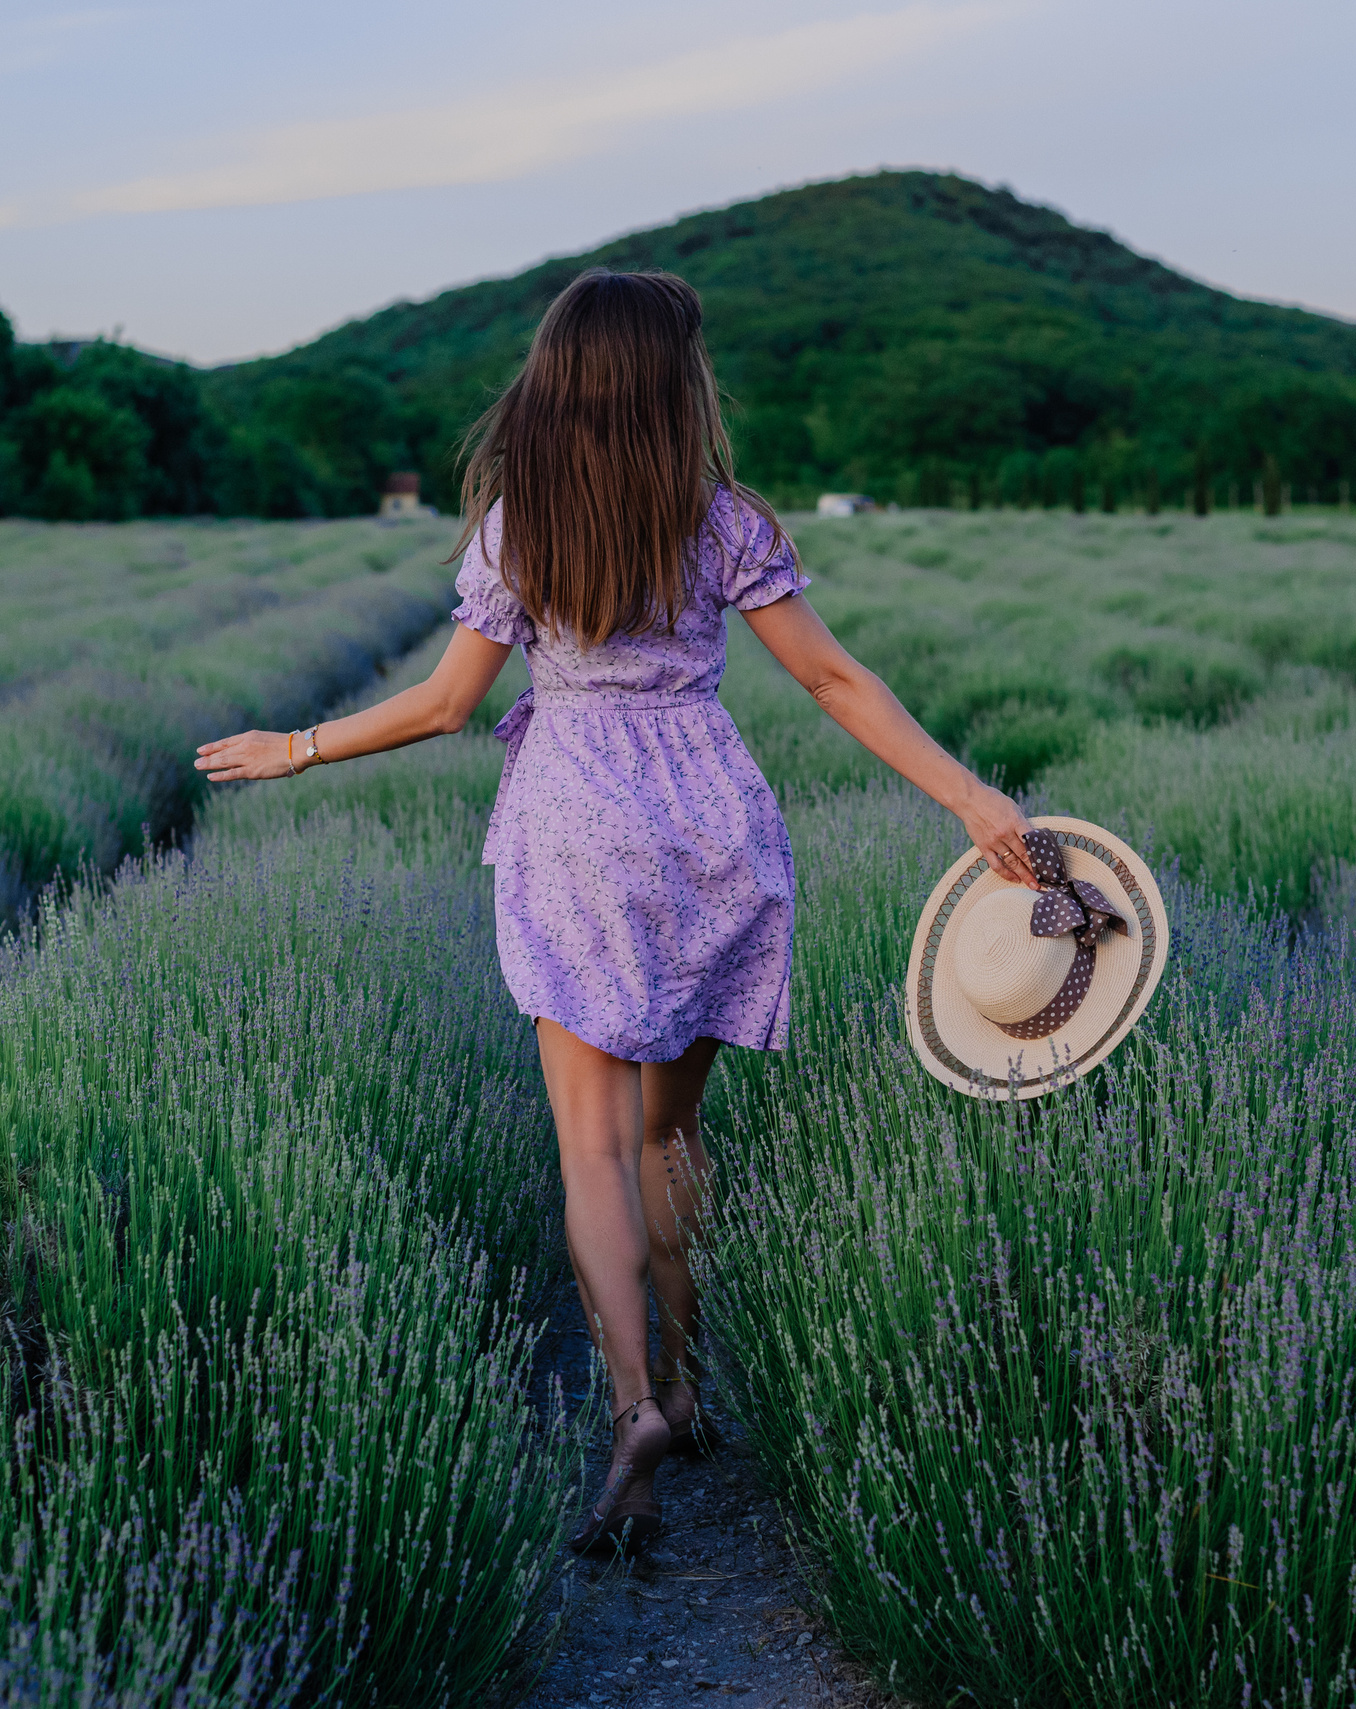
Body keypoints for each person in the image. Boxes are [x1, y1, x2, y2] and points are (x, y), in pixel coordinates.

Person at [193, 269, 1037, 1554]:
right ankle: (690, 1386)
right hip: (709, 822)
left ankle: (633, 1403)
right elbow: (829, 677)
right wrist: (971, 797)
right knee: (670, 1139)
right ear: (670, 380)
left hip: (576, 825)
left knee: (589, 1147)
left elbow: (442, 706)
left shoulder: (514, 524)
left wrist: (297, 744)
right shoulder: (722, 520)